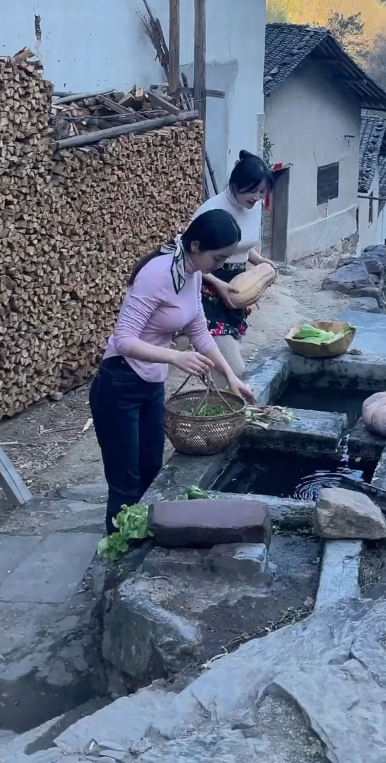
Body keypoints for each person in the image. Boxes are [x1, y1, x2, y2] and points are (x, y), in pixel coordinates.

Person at [90, 209, 256, 533]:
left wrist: (231, 377)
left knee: (152, 471)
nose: (220, 267)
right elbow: (123, 340)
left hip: (151, 385)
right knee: (126, 483)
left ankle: (141, 547)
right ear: (195, 245)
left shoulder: (190, 272)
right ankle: (115, 563)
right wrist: (174, 357)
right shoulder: (158, 274)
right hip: (120, 382)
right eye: (218, 257)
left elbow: (199, 331)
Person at [191, 151, 275, 385]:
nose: (258, 197)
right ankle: (228, 413)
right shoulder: (212, 212)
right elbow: (190, 257)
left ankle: (219, 415)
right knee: (233, 369)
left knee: (223, 368)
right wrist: (219, 285)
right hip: (208, 291)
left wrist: (259, 261)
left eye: (262, 192)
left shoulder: (253, 206)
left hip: (236, 290)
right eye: (253, 191)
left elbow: (241, 246)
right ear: (236, 184)